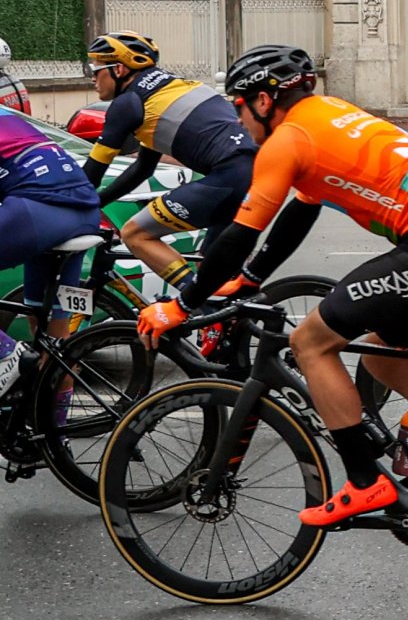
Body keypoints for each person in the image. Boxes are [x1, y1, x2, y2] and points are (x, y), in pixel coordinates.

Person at [141, 46, 408, 528]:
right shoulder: (332, 114)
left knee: (309, 342)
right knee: (380, 354)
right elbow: (300, 211)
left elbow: (239, 236)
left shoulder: (288, 139)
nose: (239, 117)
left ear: (264, 100)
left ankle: (362, 482)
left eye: (239, 105)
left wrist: (181, 305)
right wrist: (248, 279)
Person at [79, 31, 256, 299]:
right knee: (212, 266)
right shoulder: (170, 89)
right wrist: (98, 202)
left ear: (118, 68)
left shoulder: (128, 104)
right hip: (258, 173)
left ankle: (194, 298)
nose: (92, 78)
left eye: (96, 69)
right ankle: (228, 323)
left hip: (229, 176)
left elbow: (91, 174)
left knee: (135, 233)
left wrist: (71, 203)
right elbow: (142, 169)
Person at [0, 104, 105, 396]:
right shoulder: (8, 117)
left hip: (38, 212)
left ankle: (7, 354)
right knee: (54, 337)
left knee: (38, 341)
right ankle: (55, 438)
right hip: (84, 214)